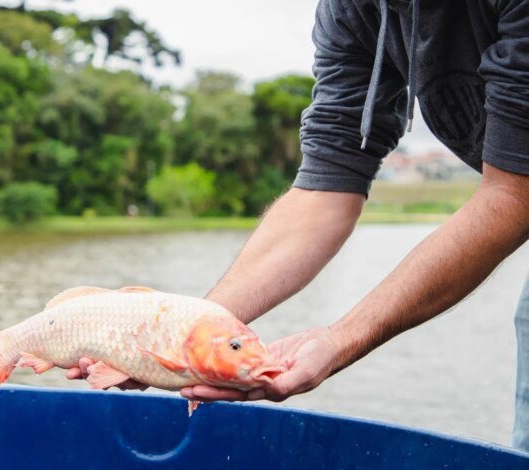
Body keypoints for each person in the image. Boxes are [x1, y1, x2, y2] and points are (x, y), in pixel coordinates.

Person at [69, 0, 529, 449]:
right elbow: (327, 184)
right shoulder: (350, 9)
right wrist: (189, 334)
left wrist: (340, 340)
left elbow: (513, 194)